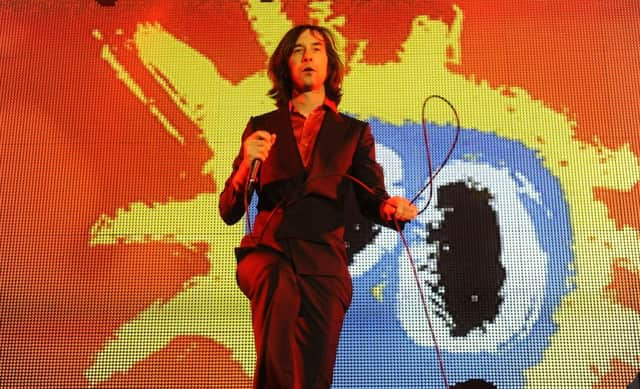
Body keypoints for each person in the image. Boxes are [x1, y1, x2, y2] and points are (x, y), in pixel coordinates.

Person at [219, 24, 418, 389]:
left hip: (324, 263)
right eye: (298, 50)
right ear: (285, 65)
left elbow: (371, 194)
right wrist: (246, 165)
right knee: (277, 286)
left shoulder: (352, 133)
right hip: (269, 252)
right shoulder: (262, 126)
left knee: (313, 377)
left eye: (317, 49)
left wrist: (390, 208)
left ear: (330, 66)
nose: (308, 55)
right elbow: (230, 210)